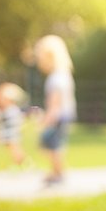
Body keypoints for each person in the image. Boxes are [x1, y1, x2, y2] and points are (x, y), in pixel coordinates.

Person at [34, 34, 76, 186]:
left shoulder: (56, 78)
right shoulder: (63, 74)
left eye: (41, 58)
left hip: (57, 116)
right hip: (64, 115)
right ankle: (57, 171)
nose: (39, 63)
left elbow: (55, 104)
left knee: (52, 145)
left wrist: (47, 120)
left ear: (50, 57)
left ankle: (59, 173)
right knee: (54, 145)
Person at [0, 82, 28, 168]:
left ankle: (21, 163)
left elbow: (12, 121)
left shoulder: (12, 110)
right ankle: (21, 163)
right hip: (8, 132)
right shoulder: (7, 109)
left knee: (14, 147)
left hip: (11, 133)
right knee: (12, 147)